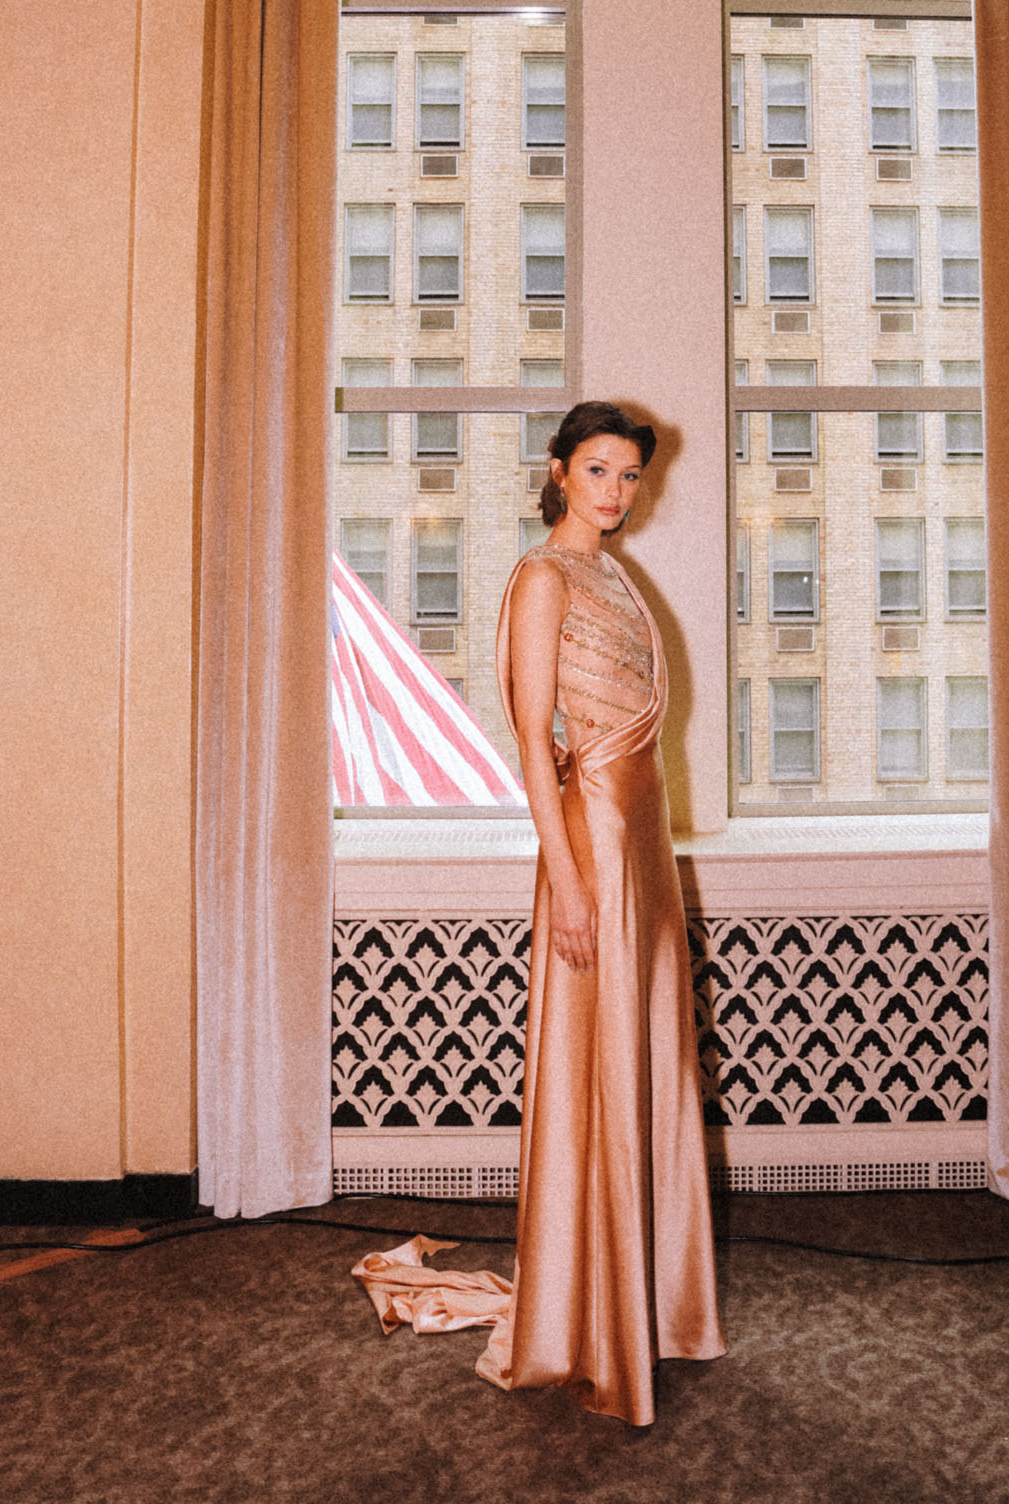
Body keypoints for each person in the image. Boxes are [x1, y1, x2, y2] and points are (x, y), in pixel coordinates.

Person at [352, 401, 726, 1426]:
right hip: (590, 844)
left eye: (629, 474)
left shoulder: (616, 573)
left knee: (644, 1058)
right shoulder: (543, 576)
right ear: (558, 471)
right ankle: (586, 1315)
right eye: (597, 469)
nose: (615, 490)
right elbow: (529, 738)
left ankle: (642, 1300)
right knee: (595, 1063)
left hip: (640, 842)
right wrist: (565, 880)